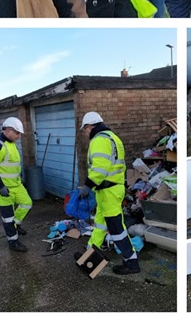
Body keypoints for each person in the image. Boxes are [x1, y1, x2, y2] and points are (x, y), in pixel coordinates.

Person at [78, 111, 140, 275]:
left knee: (116, 228)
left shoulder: (98, 140)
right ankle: (89, 256)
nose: (85, 133)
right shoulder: (113, 138)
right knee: (99, 225)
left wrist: (87, 186)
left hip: (108, 191)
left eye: (85, 129)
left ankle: (131, 262)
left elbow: (100, 168)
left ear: (90, 126)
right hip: (111, 189)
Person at [0, 117, 32, 253]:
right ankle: (13, 242)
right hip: (4, 189)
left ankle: (15, 225)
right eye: (17, 133)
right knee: (8, 218)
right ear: (9, 131)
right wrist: (0, 186)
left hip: (16, 186)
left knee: (27, 203)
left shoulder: (10, 143)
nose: (19, 136)